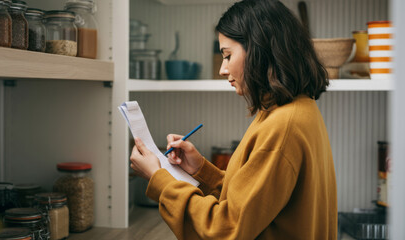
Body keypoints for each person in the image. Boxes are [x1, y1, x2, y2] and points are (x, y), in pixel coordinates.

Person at [129, 0, 337, 239]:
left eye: (227, 56)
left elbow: (226, 229)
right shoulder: (296, 109)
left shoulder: (283, 126)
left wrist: (160, 181)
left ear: (260, 50)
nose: (222, 69)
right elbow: (252, 203)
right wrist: (200, 169)